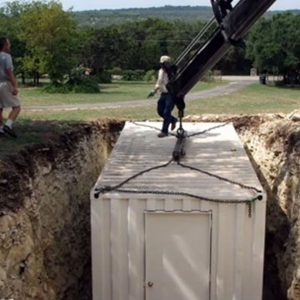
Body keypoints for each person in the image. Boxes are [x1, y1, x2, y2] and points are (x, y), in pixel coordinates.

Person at [148, 55, 177, 138]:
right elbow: (159, 82)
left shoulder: (173, 72)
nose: (164, 65)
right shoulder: (161, 71)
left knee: (166, 112)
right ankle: (173, 120)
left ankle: (164, 131)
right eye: (163, 64)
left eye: (166, 63)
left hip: (170, 95)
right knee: (160, 111)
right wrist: (154, 90)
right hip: (163, 94)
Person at [0, 37, 20, 138]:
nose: (10, 46)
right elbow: (9, 72)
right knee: (16, 106)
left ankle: (0, 129)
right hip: (5, 83)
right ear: (4, 46)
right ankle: (8, 125)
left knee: (0, 107)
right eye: (8, 44)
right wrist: (15, 86)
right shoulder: (6, 56)